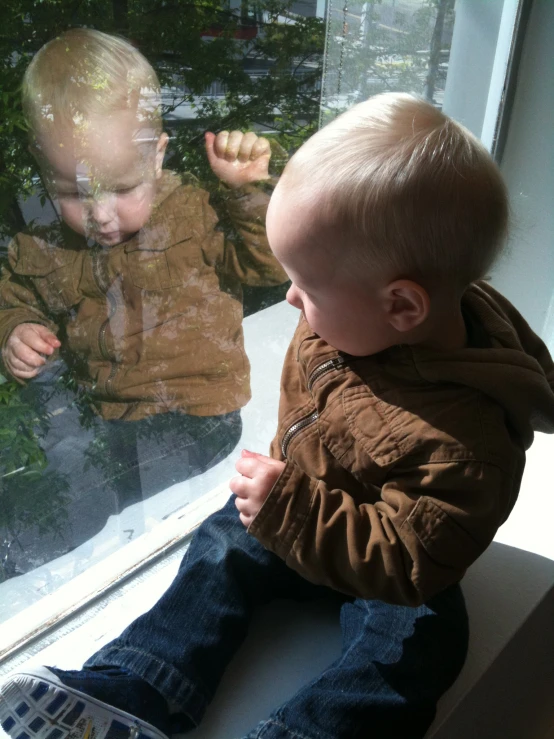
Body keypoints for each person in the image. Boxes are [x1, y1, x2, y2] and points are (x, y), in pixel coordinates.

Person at [2, 93, 554, 739]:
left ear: (402, 306)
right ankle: (137, 686)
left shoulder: (468, 440)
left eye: (307, 285)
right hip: (300, 509)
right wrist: (285, 506)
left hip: (392, 574)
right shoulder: (363, 316)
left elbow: (410, 562)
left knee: (419, 648)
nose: (289, 294)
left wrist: (291, 507)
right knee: (219, 545)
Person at [0, 29, 287, 516]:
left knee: (75, 502)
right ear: (44, 171)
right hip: (101, 417)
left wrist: (246, 192)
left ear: (155, 157)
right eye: (73, 192)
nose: (101, 214)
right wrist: (15, 330)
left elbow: (268, 265)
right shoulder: (45, 246)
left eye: (122, 188)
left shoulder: (195, 213)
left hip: (198, 414)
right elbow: (16, 297)